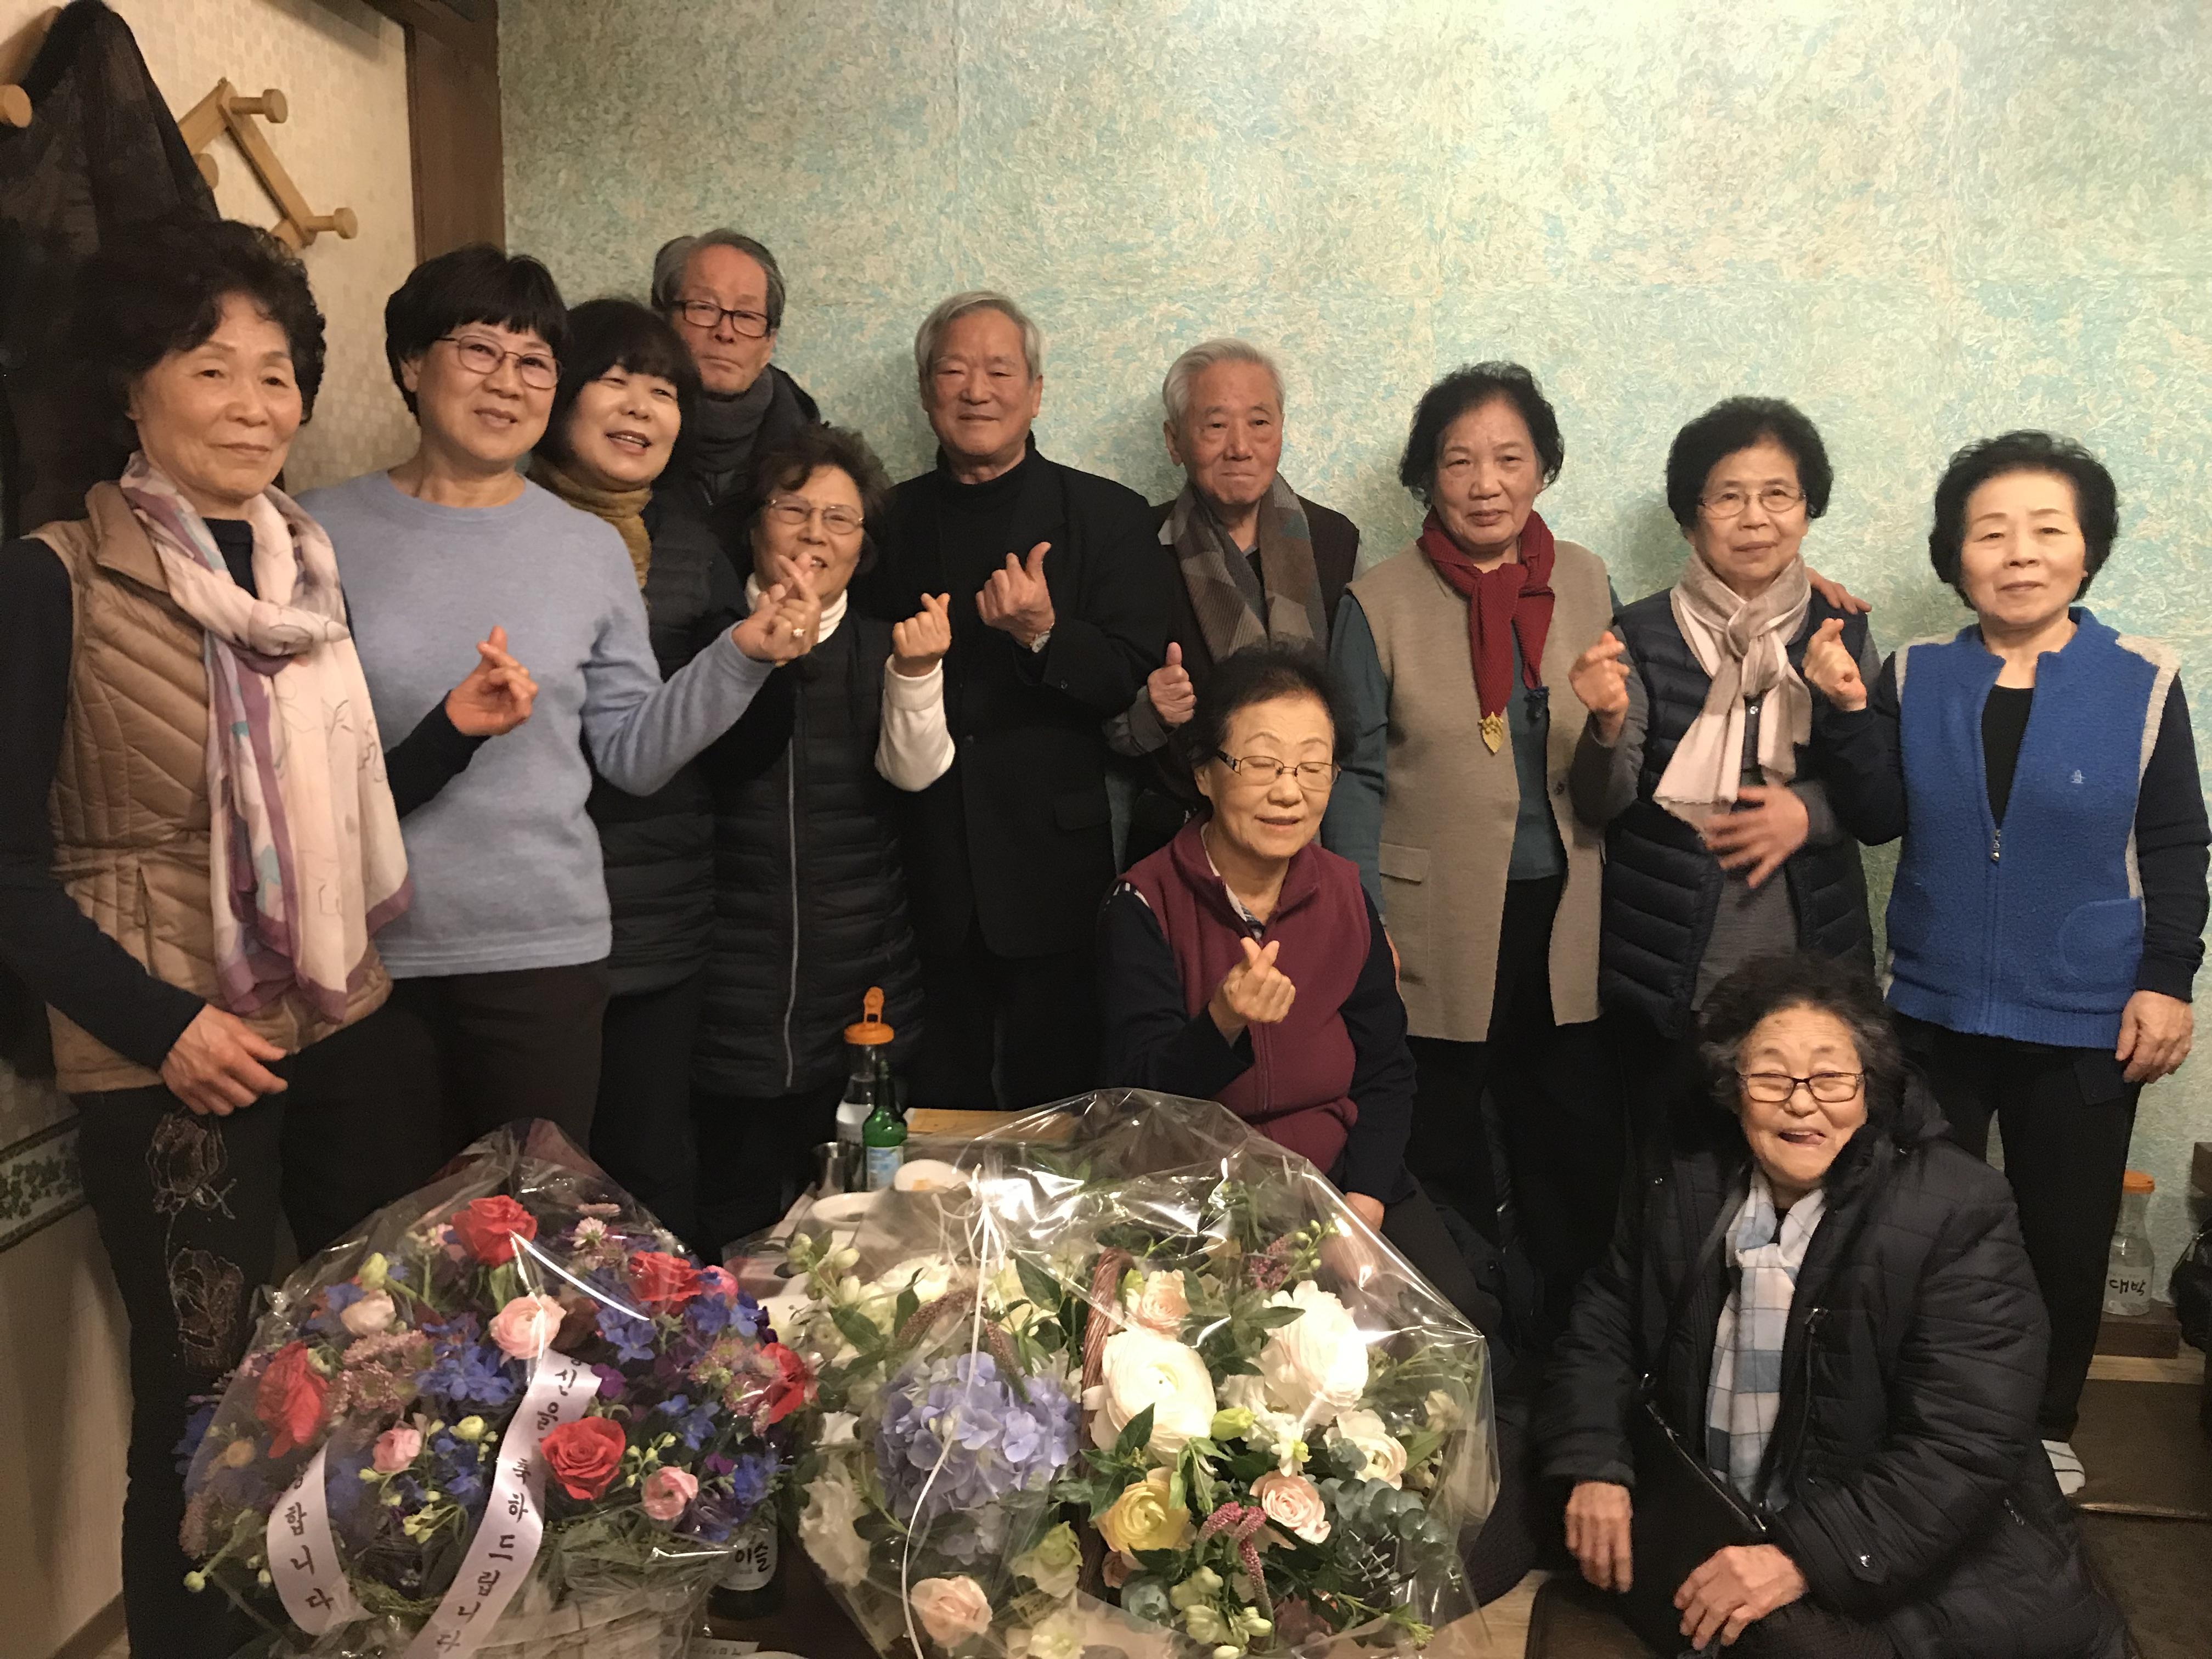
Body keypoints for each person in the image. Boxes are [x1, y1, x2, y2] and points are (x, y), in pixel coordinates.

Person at [0, 218, 533, 1659]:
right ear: (132, 388)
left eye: (279, 371)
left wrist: (451, 735)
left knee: (368, 1362)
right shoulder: (54, 580)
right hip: (173, 1059)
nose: (256, 404)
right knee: (202, 1406)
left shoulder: (301, 570)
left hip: (337, 1017)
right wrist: (165, 1026)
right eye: (213, 368)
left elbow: (331, 814)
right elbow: (11, 873)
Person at [301, 246, 823, 1149]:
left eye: (535, 362)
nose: (507, 382)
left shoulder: (588, 547)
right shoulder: (315, 529)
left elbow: (633, 754)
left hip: (543, 948)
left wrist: (741, 655)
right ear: (412, 364)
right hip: (361, 947)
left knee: (530, 1224)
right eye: (479, 350)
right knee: (369, 1227)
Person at [1803, 430, 2209, 1492]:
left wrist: (2167, 979)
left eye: (2046, 529)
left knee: (2061, 1241)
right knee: (1912, 1224)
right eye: (1990, 532)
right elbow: (1876, 815)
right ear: (1956, 554)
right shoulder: (1916, 671)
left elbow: (2174, 841)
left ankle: (2042, 1426)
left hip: (2085, 1011)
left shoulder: (2143, 679)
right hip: (1931, 1005)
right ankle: (1918, 1415)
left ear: (2087, 547)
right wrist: (1846, 710)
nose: (2019, 552)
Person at [1539, 952, 2125, 1659]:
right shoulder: (1687, 1174)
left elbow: (1965, 1441)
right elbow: (1606, 1320)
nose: (1801, 1102)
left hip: (1906, 1541)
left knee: (1774, 1644)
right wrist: (1596, 1464)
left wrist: (1800, 1558)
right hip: (1715, 1503)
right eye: (1770, 1076)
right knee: (1530, 1505)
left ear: (1870, 1085)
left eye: (1830, 1077)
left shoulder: (1958, 1206)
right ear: (1732, 1088)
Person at [1321, 362, 1621, 1331]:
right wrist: (1363, 919)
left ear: (1543, 468)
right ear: (1428, 475)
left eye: (1509, 459)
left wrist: (1610, 723)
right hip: (1432, 920)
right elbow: (1353, 774)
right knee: (1441, 1143)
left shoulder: (1585, 579)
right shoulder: (1377, 601)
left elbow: (1616, 770)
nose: (1485, 484)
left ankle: (1572, 1343)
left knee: (1567, 1142)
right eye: (1459, 461)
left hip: (1565, 916)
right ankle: (1463, 1341)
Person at [1098, 643, 1494, 1330]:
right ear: (1205, 773)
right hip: (1206, 1203)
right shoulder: (1144, 903)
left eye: (1313, 767)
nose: (1289, 792)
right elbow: (1136, 1103)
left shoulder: (1343, 893)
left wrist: (1363, 1205)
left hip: (1340, 1180)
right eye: (1261, 764)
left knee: (1456, 1328)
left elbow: (1387, 1070)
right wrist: (1221, 1022)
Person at [855, 290, 1172, 1108]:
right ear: (925, 391)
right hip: (918, 869)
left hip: (1052, 873)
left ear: (1035, 392)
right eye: (954, 371)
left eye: (1000, 372)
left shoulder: (1107, 515)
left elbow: (1133, 677)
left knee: (1060, 1108)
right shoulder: (883, 521)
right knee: (933, 1108)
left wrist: (1044, 632)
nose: (976, 391)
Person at [1569, 396, 1878, 1140]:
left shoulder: (1839, 627)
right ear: (1690, 518)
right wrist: (1605, 727)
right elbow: (1602, 803)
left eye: (1778, 495)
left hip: (1811, 961)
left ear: (1807, 511)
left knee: (1801, 1160)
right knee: (1670, 1166)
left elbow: (1877, 799)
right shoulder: (1639, 632)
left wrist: (1808, 813)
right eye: (1728, 497)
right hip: (1670, 964)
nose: (1755, 518)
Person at [691, 426, 955, 1251]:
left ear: (863, 545)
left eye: (840, 519)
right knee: (726, 1226)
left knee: (860, 1234)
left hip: (862, 987)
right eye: (794, 510)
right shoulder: (704, 637)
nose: (815, 534)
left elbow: (917, 775)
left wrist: (917, 675)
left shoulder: (885, 645)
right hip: (725, 989)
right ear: (753, 524)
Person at [524, 297, 729, 1240]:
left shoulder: (694, 543)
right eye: (616, 381)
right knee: (538, 1170)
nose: (641, 408)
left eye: (663, 391)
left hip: (663, 903)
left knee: (653, 1156)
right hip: (533, 909)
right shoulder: (508, 522)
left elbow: (726, 736)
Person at [1115, 338, 1361, 863]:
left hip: (1308, 840)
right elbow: (1104, 727)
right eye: (1216, 425)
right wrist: (1151, 710)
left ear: (1281, 431)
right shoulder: (1135, 545)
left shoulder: (1336, 543)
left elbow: (1362, 711)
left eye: (1259, 422)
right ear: (1174, 441)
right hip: (1178, 843)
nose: (1240, 447)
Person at [650, 228, 822, 564]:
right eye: (703, 307)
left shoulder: (810, 454)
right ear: (663, 321)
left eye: (746, 316)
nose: (725, 332)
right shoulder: (621, 434)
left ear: (769, 343)